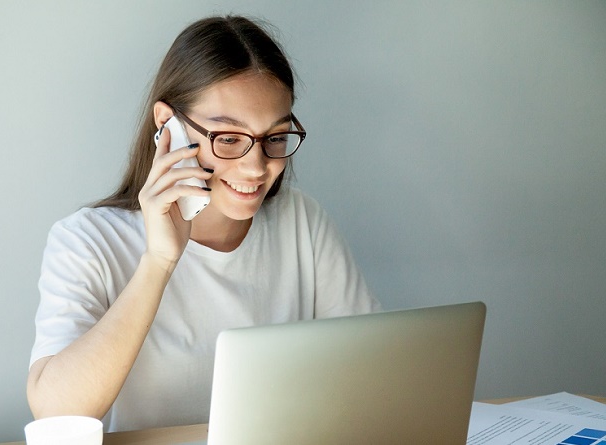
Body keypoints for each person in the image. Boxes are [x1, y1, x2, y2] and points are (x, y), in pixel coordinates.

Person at [26, 15, 381, 432]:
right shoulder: (87, 241)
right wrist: (159, 261)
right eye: (228, 138)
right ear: (167, 126)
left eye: (275, 138)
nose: (256, 167)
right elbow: (55, 413)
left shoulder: (302, 222)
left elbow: (372, 373)